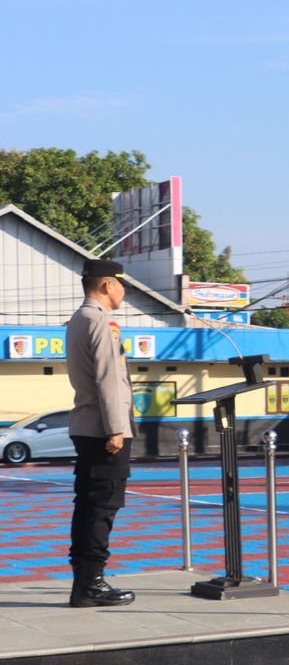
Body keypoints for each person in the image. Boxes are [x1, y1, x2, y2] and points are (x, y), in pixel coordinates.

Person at [64, 258, 137, 607]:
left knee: (88, 505)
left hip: (86, 426)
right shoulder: (101, 321)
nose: (124, 293)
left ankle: (84, 582)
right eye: (122, 285)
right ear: (107, 285)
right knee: (102, 506)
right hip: (103, 429)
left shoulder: (79, 318)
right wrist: (116, 429)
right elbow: (108, 379)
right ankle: (91, 583)